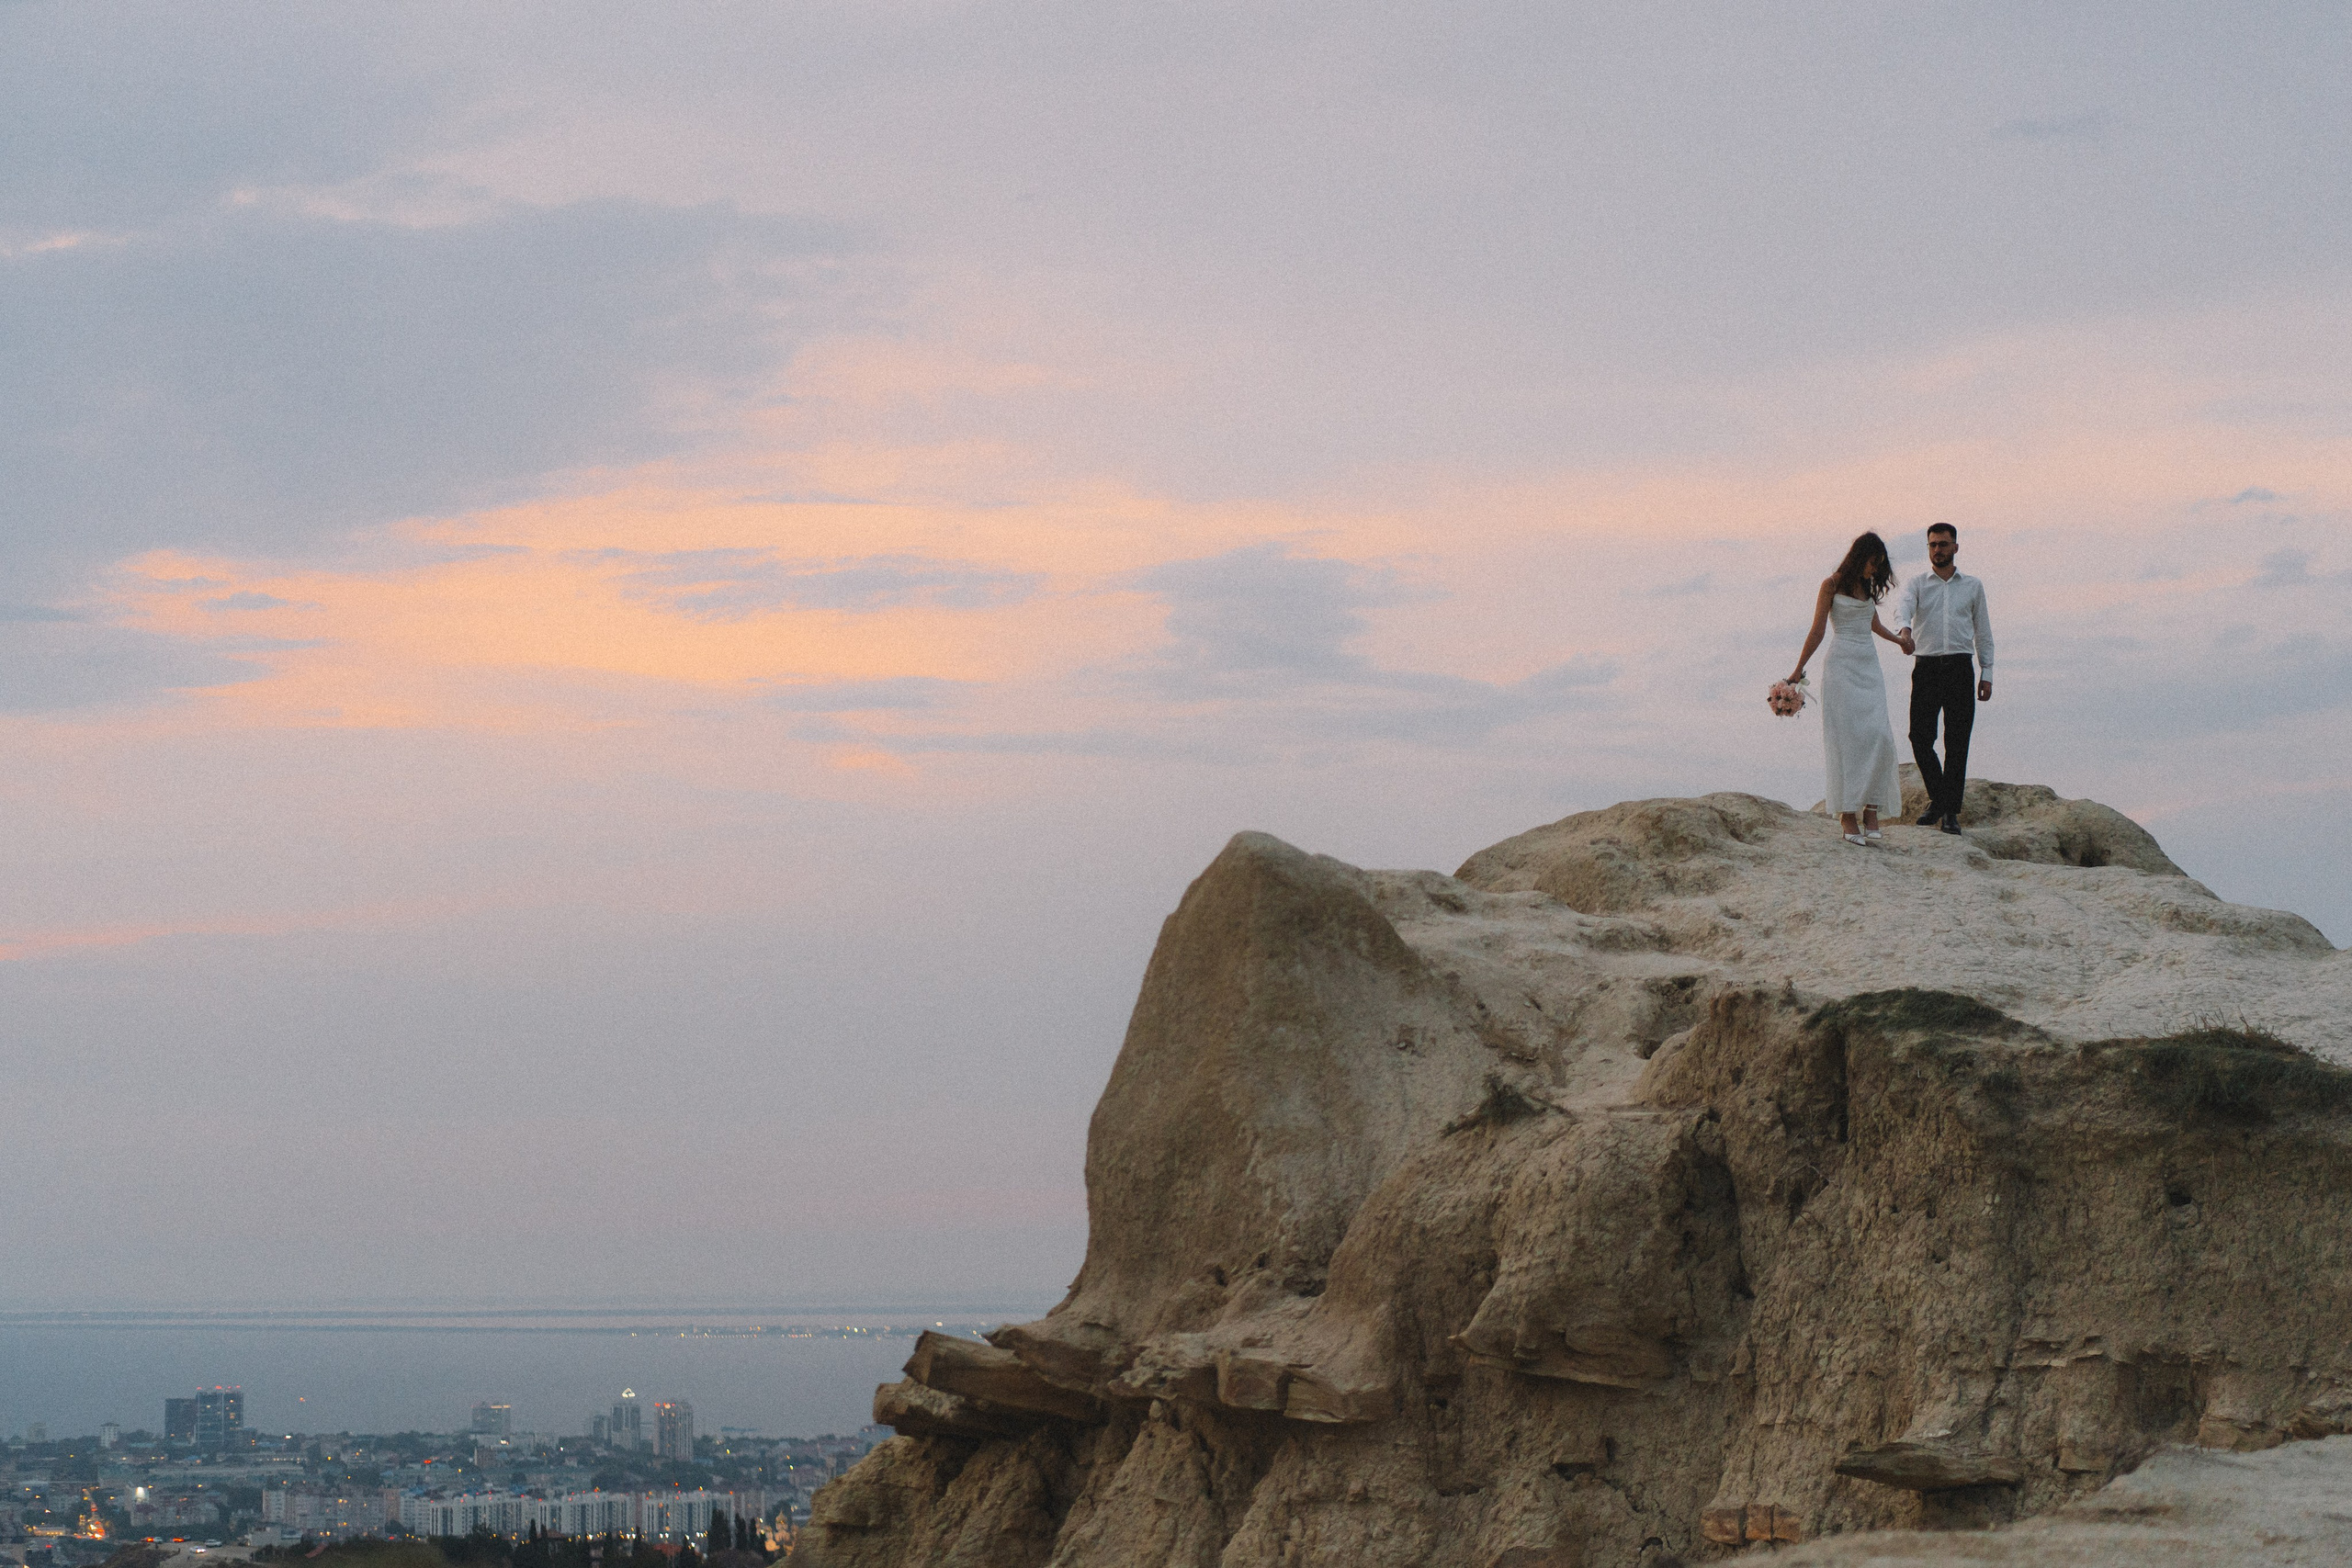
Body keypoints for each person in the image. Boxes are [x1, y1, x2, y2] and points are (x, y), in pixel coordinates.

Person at [1787, 532, 1907, 847]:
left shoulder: (1867, 588)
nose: (1874, 571)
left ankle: (1871, 809)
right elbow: (1817, 630)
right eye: (1872, 563)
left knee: (1880, 736)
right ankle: (1848, 815)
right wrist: (1797, 670)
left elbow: (1875, 625)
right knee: (1847, 741)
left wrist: (1900, 641)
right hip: (1841, 666)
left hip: (1869, 667)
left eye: (1878, 566)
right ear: (1859, 557)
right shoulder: (1831, 584)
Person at [1892, 523, 1995, 833]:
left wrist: (1987, 672)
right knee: (1920, 738)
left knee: (1957, 741)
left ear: (1955, 548)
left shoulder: (1973, 586)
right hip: (1926, 668)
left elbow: (1983, 632)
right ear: (1928, 548)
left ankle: (1950, 812)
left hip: (1960, 668)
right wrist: (1904, 629)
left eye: (1944, 544)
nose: (1938, 550)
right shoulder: (1917, 583)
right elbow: (1903, 608)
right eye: (1933, 544)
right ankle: (1940, 799)